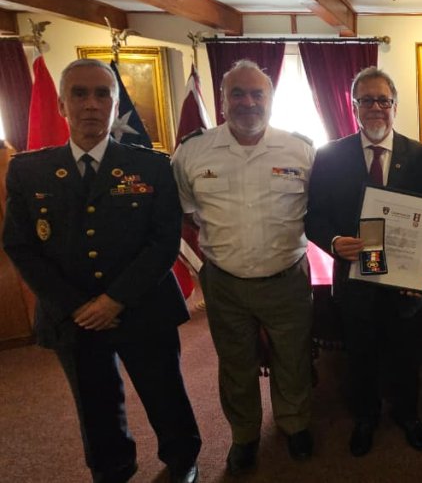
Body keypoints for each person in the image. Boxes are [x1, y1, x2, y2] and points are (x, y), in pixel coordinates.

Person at [2, 58, 201, 483]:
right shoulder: (28, 169)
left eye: (102, 94)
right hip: (72, 314)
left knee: (165, 391)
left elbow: (163, 240)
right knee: (94, 401)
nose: (91, 104)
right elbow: (21, 244)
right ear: (60, 105)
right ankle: (112, 467)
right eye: (79, 93)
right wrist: (77, 305)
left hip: (143, 304)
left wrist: (115, 299)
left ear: (114, 105)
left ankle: (182, 459)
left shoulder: (150, 166)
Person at [171, 59, 315, 474]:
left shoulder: (299, 148)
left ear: (271, 99)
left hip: (287, 276)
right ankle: (245, 435)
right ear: (222, 99)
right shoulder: (193, 151)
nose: (248, 102)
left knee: (294, 358)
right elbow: (180, 215)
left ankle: (295, 424)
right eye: (238, 93)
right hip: (225, 281)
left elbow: (318, 210)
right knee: (235, 363)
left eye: (258, 94)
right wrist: (201, 268)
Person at [305, 67, 422, 457]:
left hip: (405, 282)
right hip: (355, 280)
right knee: (360, 355)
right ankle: (365, 417)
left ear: (395, 105)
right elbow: (313, 216)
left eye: (383, 100)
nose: (376, 107)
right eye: (367, 100)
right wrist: (334, 242)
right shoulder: (330, 156)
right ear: (353, 107)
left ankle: (408, 414)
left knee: (407, 353)